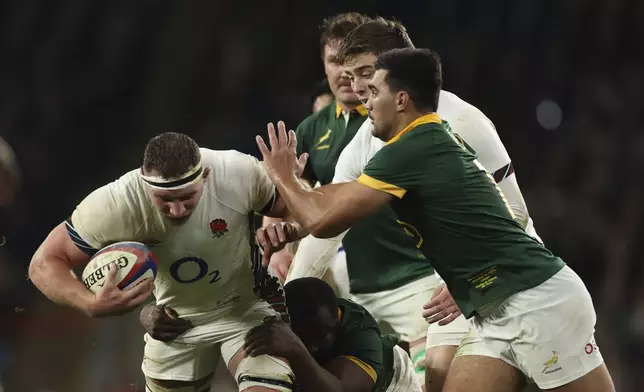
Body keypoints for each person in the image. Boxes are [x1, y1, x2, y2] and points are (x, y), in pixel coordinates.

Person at [255, 48, 615, 392]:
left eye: (375, 90)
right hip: (491, 310)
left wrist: (284, 178)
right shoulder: (420, 141)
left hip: (536, 302)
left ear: (401, 100)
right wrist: (293, 204)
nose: (366, 100)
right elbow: (330, 200)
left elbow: (325, 222)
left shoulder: (411, 151)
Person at [284, 18, 542, 392]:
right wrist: (287, 300)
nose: (356, 86)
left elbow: (516, 212)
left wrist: (470, 276)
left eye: (366, 73)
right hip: (457, 289)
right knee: (437, 380)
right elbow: (328, 223)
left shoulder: (463, 121)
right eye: (351, 74)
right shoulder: (364, 143)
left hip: (510, 278)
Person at [28, 132, 308, 392]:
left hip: (248, 309)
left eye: (187, 197)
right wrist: (87, 303)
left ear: (206, 176)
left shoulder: (236, 172)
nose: (177, 210)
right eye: (164, 199)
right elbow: (44, 262)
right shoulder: (118, 203)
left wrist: (291, 229)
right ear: (144, 184)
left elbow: (307, 209)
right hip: (174, 323)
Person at [263, 12, 371, 298]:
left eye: (352, 60)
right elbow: (281, 196)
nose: (344, 72)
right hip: (343, 269)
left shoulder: (390, 118)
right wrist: (279, 251)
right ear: (324, 65)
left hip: (408, 271)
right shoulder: (312, 128)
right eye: (335, 61)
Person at [244, 277, 422, 392]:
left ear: (337, 318)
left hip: (390, 384)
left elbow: (340, 390)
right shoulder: (273, 328)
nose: (314, 346)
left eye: (323, 335)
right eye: (304, 338)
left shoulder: (359, 327)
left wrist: (297, 349)